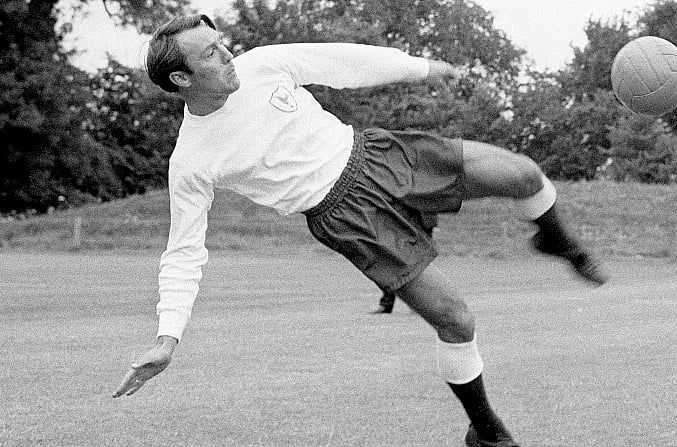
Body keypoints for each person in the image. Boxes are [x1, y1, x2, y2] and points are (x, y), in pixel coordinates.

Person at [111, 14, 606, 447]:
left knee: (523, 173)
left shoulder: (262, 64)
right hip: (347, 217)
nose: (228, 56)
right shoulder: (191, 160)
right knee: (457, 321)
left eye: (222, 44)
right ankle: (488, 432)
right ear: (181, 77)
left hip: (378, 154)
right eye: (211, 55)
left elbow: (344, 62)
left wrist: (421, 67)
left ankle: (554, 238)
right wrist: (167, 337)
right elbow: (183, 252)